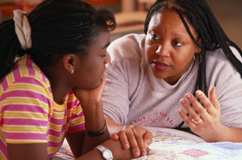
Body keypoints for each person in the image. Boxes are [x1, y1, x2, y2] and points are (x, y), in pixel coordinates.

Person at [0, 0, 152, 159]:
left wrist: (92, 104)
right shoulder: (26, 89)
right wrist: (108, 154)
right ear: (70, 62)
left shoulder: (66, 86)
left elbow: (84, 153)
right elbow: (96, 154)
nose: (108, 59)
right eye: (102, 53)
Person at [102, 0, 242, 143]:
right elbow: (101, 122)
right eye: (154, 37)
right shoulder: (123, 55)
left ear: (199, 44)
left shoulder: (221, 66)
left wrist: (218, 133)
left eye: (177, 43)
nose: (161, 52)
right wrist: (122, 132)